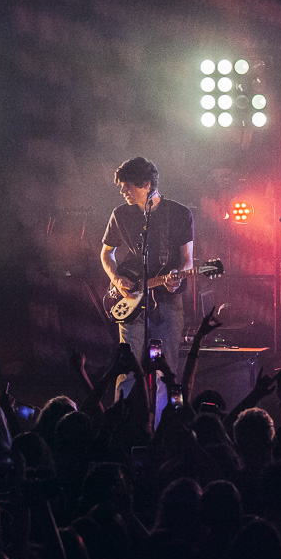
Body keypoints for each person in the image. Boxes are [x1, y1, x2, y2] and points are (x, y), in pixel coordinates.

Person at [101, 156, 194, 406]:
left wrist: (176, 280)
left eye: (127, 185)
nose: (123, 191)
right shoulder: (120, 214)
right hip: (131, 300)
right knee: (127, 368)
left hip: (166, 301)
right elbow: (106, 253)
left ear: (145, 184)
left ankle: (165, 428)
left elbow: (187, 261)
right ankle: (121, 425)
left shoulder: (179, 213)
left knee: (167, 371)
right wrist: (117, 278)